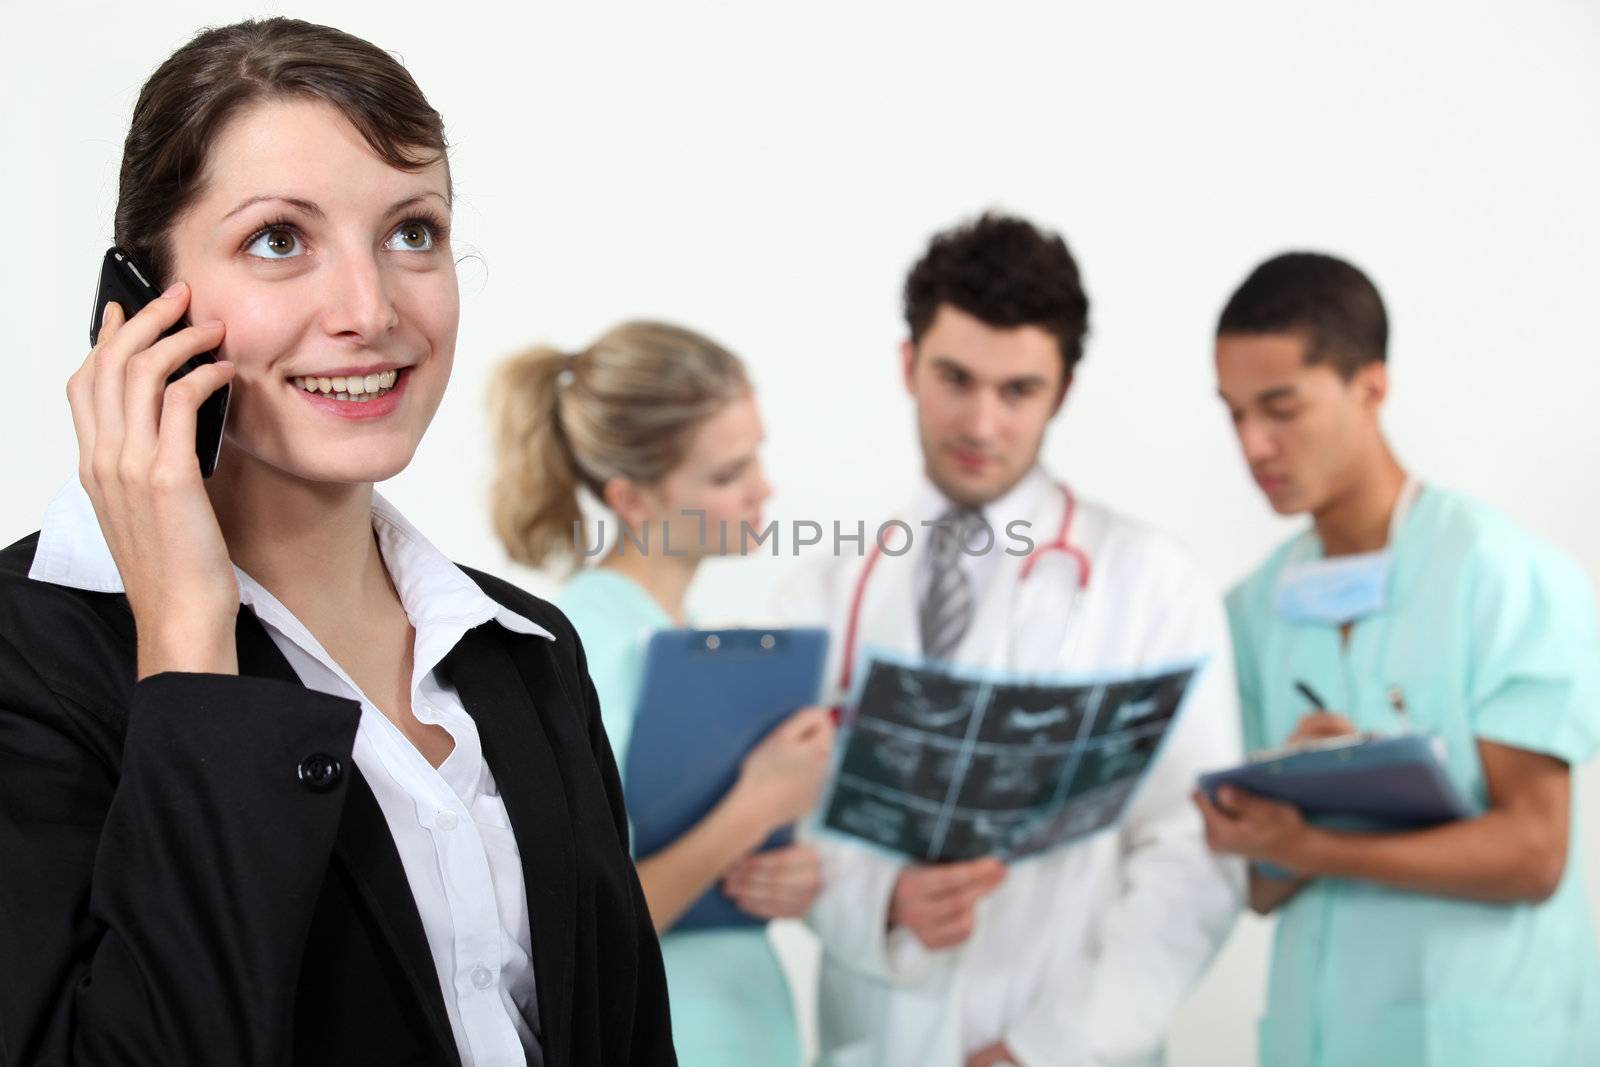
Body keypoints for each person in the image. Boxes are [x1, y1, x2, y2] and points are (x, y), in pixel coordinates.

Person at [0, 19, 672, 1066]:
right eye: (279, 239)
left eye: (413, 231)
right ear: (137, 303)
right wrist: (186, 640)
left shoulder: (527, 650)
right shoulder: (28, 659)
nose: (370, 309)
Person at [785, 213, 1244, 1067]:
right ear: (907, 364)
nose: (981, 422)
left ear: (1062, 391)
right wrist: (881, 901)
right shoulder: (829, 589)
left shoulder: (1153, 584)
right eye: (954, 378)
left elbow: (1192, 850)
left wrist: (1048, 1049)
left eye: (1018, 391)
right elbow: (782, 829)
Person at [1198, 251, 1600, 1066]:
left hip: (1485, 1043)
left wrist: (1318, 844)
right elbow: (1259, 886)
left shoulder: (1501, 577)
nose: (1254, 444)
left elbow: (1533, 853)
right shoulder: (1249, 610)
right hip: (1317, 1040)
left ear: (1370, 387)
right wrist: (1286, 813)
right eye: (1234, 413)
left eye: (1281, 408)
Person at [489, 321, 835, 1067]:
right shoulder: (586, 647)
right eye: (725, 474)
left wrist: (781, 873)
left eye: (756, 456)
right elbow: (584, 926)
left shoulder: (682, 641)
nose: (763, 488)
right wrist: (758, 806)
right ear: (633, 499)